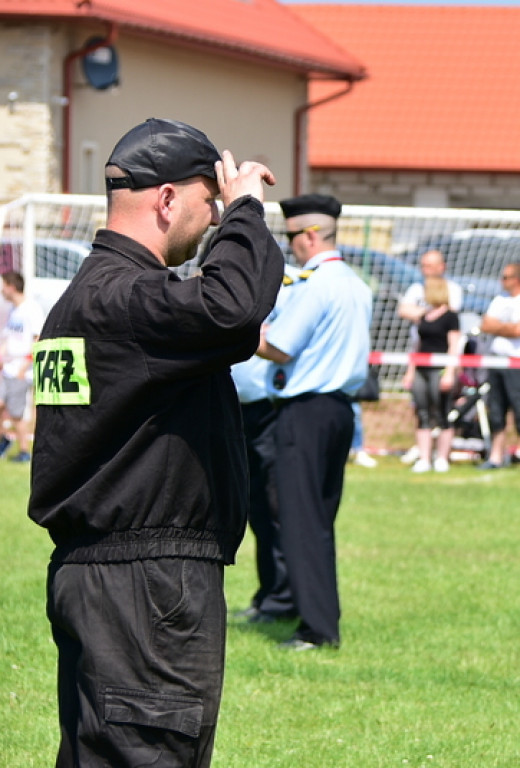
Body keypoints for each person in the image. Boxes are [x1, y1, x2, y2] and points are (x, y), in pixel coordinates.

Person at [28, 118, 283, 767]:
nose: (213, 223)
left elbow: (214, 322)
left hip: (102, 578)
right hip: (146, 588)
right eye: (210, 206)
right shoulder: (126, 300)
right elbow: (232, 309)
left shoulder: (84, 301)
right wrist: (248, 210)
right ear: (167, 200)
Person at [257, 193, 372, 651]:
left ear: (308, 235)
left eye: (290, 237)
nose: (290, 247)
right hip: (339, 410)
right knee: (318, 520)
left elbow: (280, 346)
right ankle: (321, 618)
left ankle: (317, 629)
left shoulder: (316, 284)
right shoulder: (353, 283)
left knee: (301, 522)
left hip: (304, 412)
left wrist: (238, 327)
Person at [230, 354, 295, 624]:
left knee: (275, 508)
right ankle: (268, 593)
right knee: (257, 511)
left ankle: (283, 599)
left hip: (270, 409)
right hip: (240, 410)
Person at [398, 249, 463, 465]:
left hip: (441, 365)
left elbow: (453, 338)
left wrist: (450, 371)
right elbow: (404, 311)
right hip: (422, 365)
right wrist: (410, 370)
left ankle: (442, 456)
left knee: (442, 411)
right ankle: (424, 456)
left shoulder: (452, 298)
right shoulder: (421, 306)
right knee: (422, 411)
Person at [478, 261, 520, 470]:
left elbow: (519, 331)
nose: (501, 281)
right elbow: (485, 325)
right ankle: (496, 456)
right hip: (497, 361)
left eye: (505, 277)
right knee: (496, 410)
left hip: (518, 363)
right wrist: (504, 327)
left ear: (517, 279)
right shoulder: (499, 299)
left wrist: (498, 327)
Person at [0, 270, 44, 462]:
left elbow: (38, 339)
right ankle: (4, 440)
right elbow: (8, 338)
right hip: (8, 368)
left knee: (17, 412)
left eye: (3, 286)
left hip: (21, 370)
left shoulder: (31, 309)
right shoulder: (14, 310)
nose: (1, 291)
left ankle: (25, 451)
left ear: (11, 287)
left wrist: (24, 366)